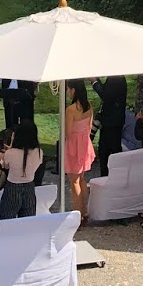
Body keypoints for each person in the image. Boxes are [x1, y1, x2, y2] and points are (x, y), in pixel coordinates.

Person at [63, 81, 95, 221]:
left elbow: (68, 132)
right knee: (81, 178)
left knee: (74, 181)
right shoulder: (89, 107)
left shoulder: (71, 109)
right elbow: (89, 127)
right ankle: (84, 210)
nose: (67, 92)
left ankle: (78, 214)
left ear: (73, 90)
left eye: (68, 89)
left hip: (74, 146)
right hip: (84, 144)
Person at [0, 119, 43, 219]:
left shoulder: (10, 153)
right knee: (27, 222)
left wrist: (9, 150)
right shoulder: (39, 152)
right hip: (29, 187)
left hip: (12, 187)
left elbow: (6, 166)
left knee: (7, 220)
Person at [93, 74, 128, 178]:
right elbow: (106, 91)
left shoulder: (116, 79)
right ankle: (106, 176)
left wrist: (94, 82)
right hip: (111, 121)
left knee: (109, 152)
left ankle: (111, 177)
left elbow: (106, 95)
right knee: (105, 151)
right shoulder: (116, 78)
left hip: (112, 122)